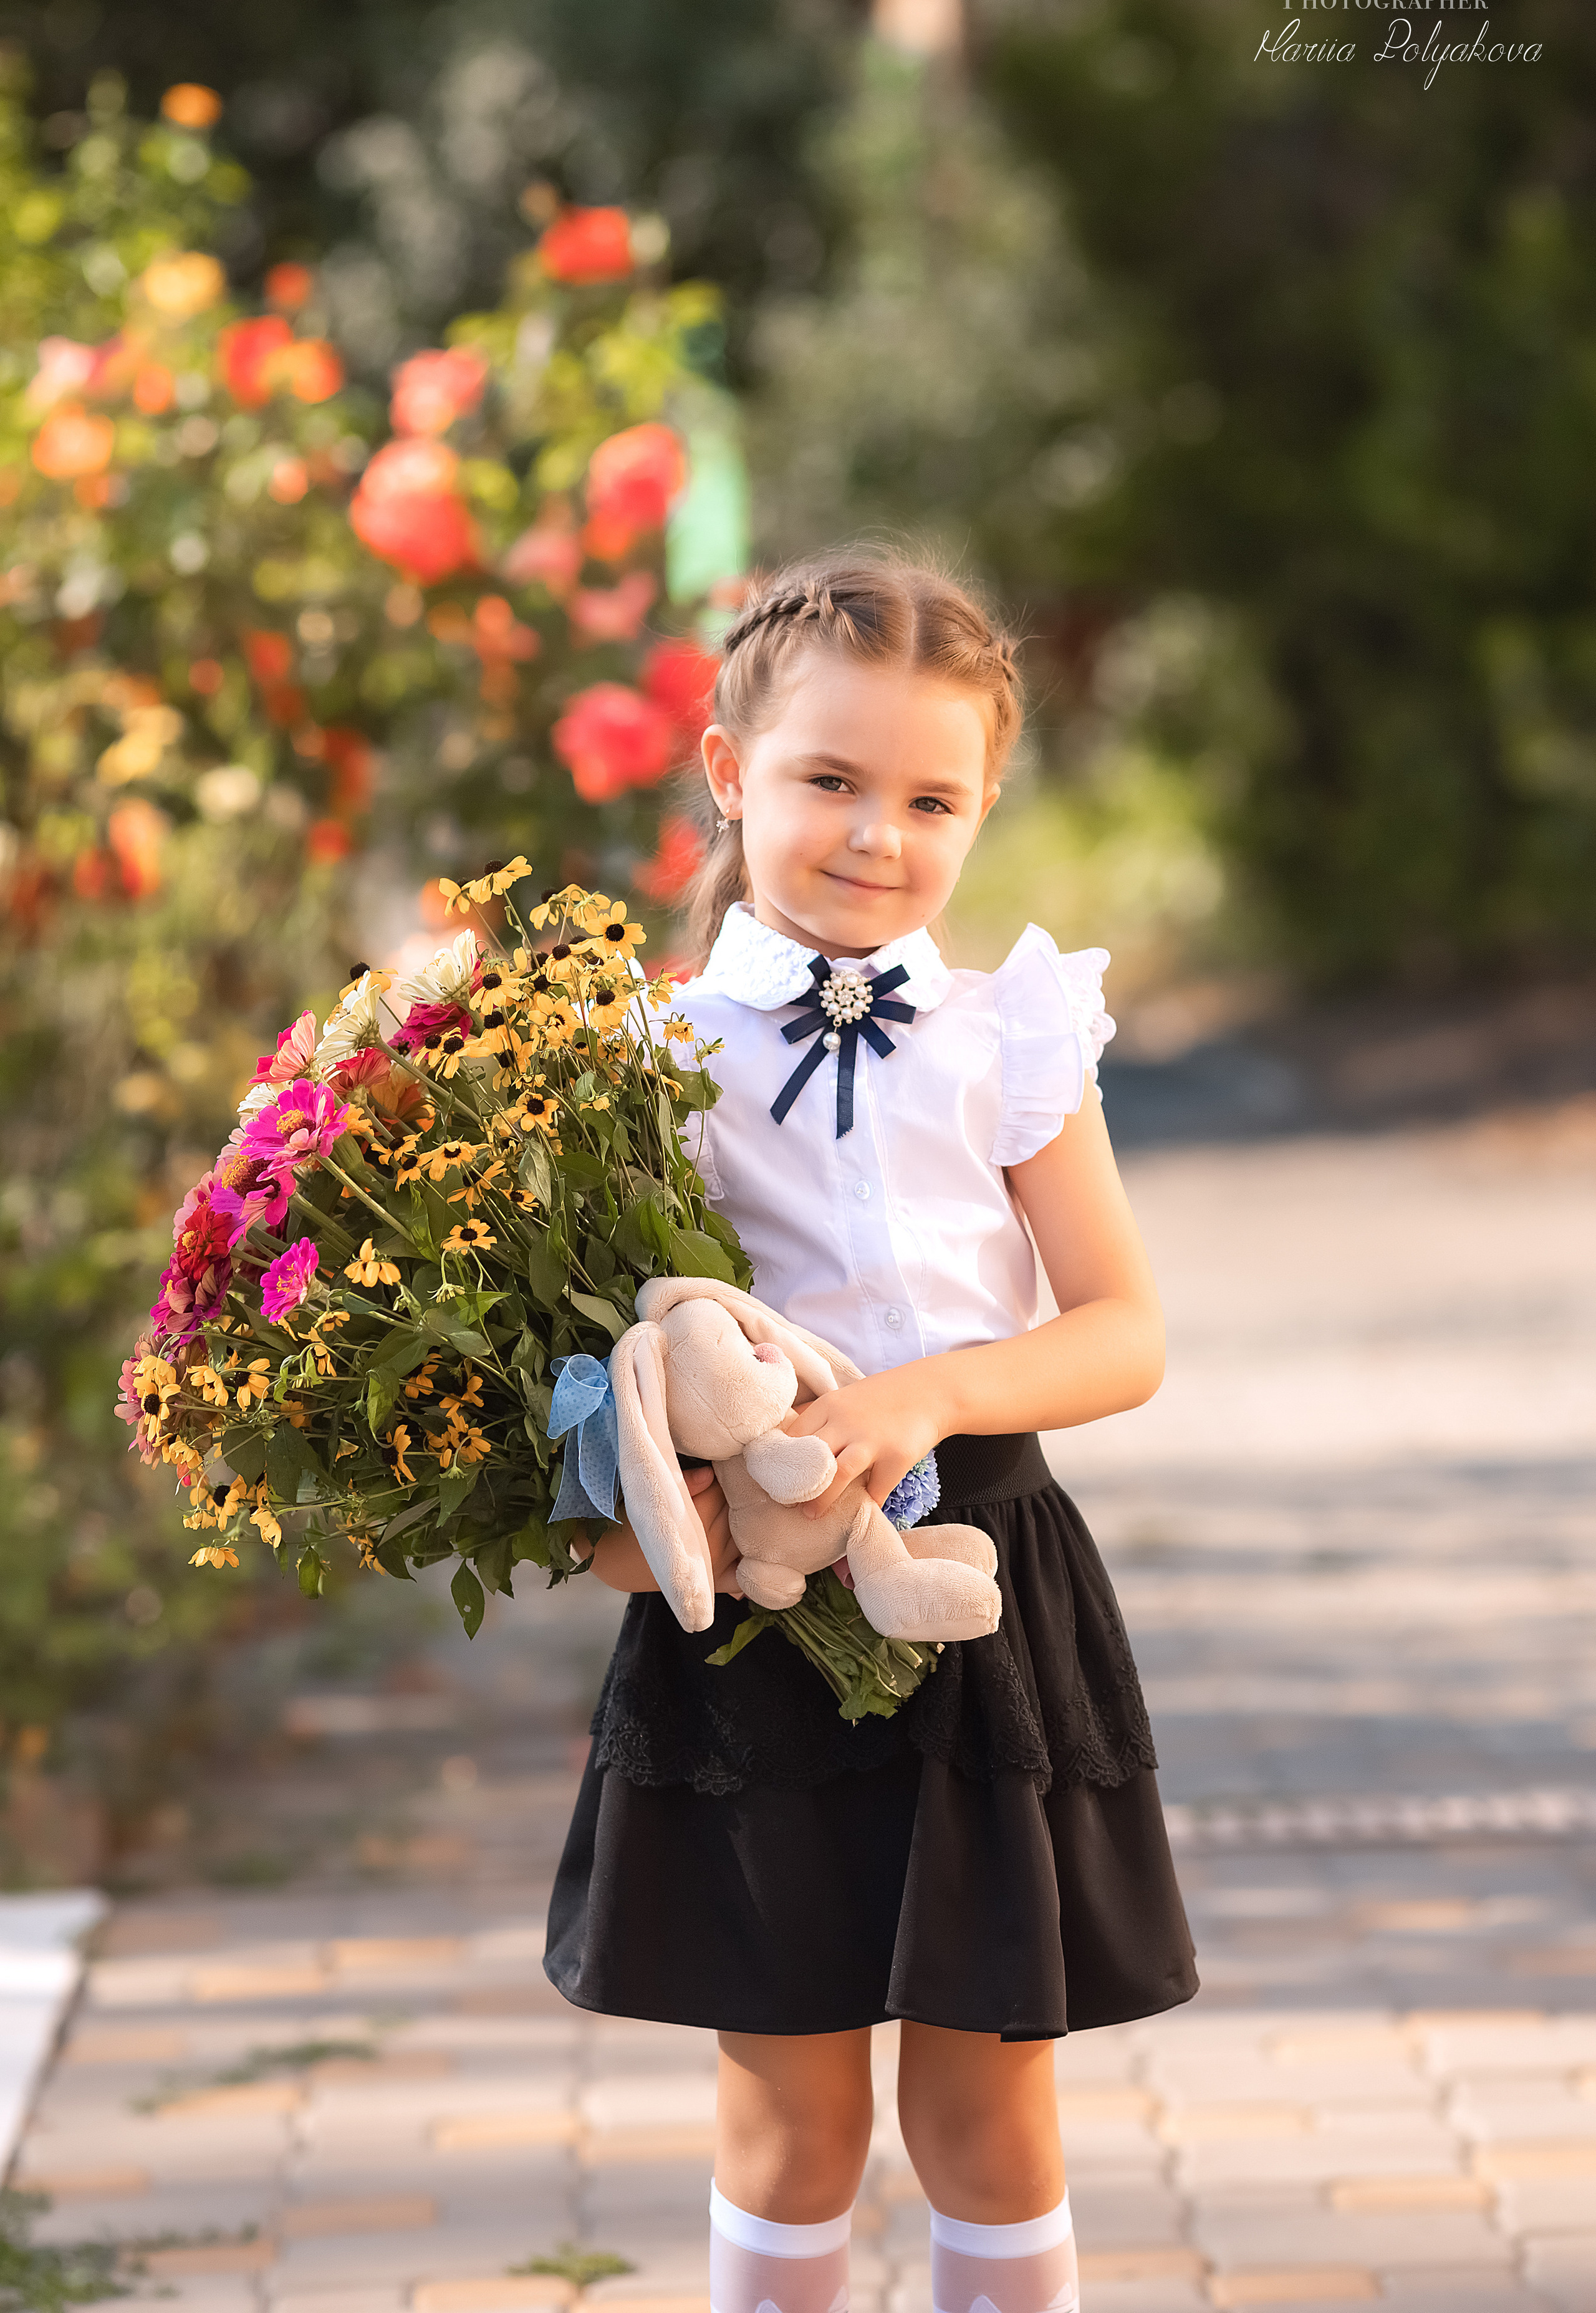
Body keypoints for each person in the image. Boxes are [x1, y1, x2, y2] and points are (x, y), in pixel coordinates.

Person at [545, 549, 1198, 2313]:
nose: (875, 835)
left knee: (988, 2093)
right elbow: (609, 1362)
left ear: (985, 804)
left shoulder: (1013, 1038)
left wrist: (926, 1396)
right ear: (727, 776)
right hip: (753, 1609)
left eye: (930, 798)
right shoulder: (644, 1057)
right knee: (792, 2095)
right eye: (828, 781)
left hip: (982, 1584)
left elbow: (1123, 1330)